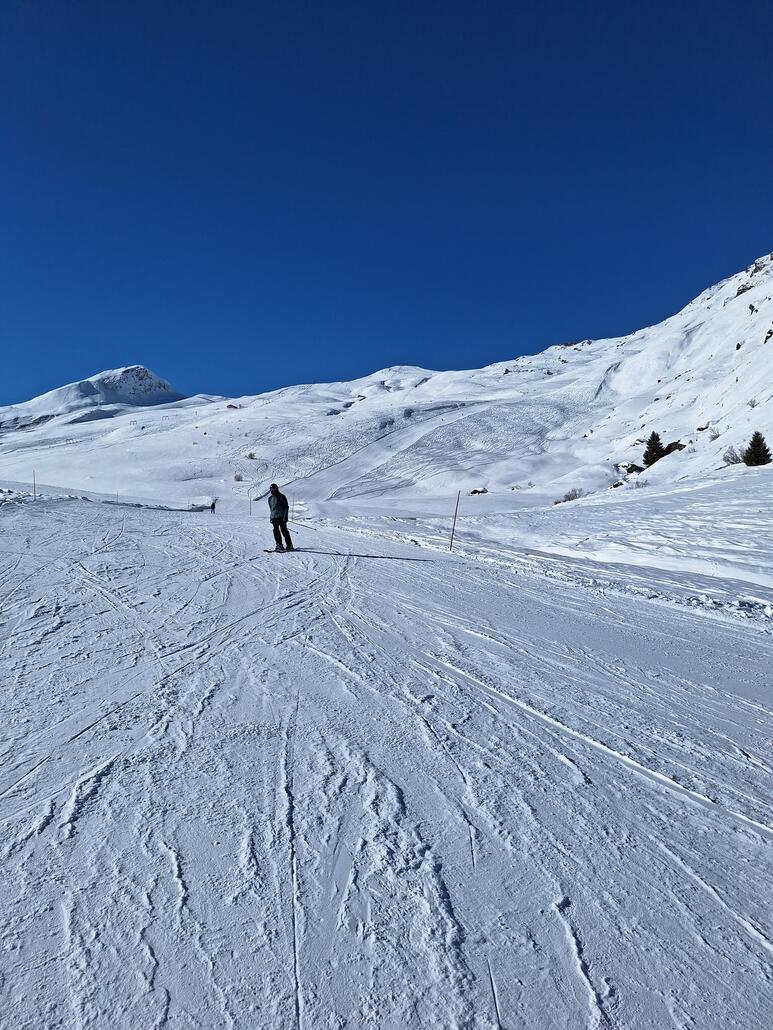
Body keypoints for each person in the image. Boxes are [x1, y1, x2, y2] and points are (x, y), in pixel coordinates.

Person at [267, 483, 294, 551]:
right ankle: (279, 545)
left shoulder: (282, 497)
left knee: (284, 530)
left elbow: (286, 507)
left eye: (274, 488)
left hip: (282, 517)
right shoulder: (270, 498)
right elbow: (271, 509)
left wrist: (285, 517)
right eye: (271, 489)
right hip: (274, 517)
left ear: (276, 488)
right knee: (276, 531)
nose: (272, 490)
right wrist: (271, 517)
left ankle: (289, 545)